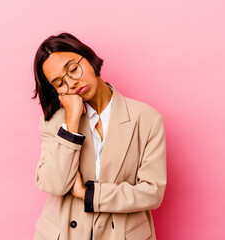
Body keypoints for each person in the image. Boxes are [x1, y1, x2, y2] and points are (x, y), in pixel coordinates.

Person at [32, 32, 167, 240]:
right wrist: (72, 122)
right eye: (60, 83)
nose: (72, 83)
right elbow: (53, 184)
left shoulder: (146, 119)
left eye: (73, 69)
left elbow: (152, 193)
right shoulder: (54, 123)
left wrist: (89, 195)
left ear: (88, 57)